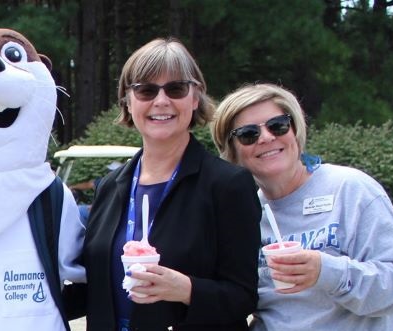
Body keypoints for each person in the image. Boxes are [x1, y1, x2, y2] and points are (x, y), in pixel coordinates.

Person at [74, 38, 261, 330]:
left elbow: (244, 296)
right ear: (127, 100)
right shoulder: (110, 187)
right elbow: (96, 287)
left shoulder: (227, 185)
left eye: (176, 88)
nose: (161, 101)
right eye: (146, 90)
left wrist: (187, 290)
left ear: (195, 97)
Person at [211, 83, 393, 330]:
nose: (267, 137)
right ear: (232, 151)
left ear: (295, 131)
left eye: (278, 125)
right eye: (248, 134)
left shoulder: (351, 189)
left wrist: (326, 271)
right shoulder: (241, 214)